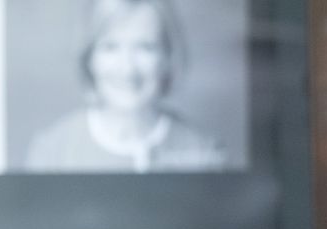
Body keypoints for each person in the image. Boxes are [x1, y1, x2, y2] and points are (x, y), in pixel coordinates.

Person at [24, 0, 230, 173]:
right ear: (89, 58)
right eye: (110, 47)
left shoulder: (205, 155)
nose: (128, 69)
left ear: (167, 57)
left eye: (145, 48)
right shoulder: (52, 152)